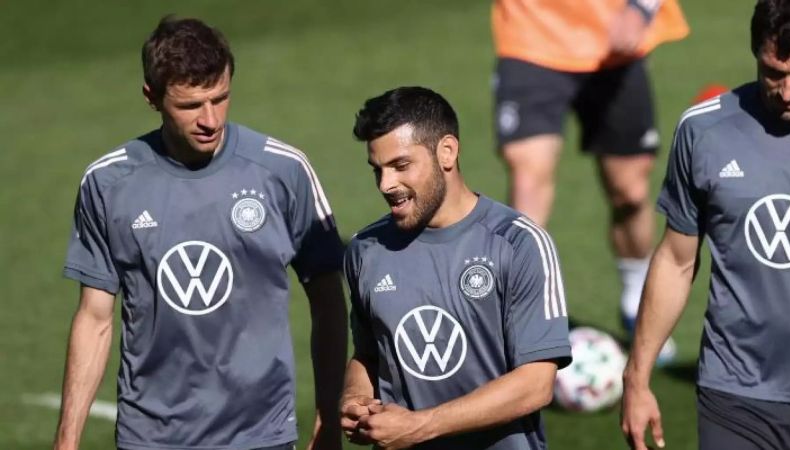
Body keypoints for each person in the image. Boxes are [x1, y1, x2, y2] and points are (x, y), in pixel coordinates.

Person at [53, 16, 347, 450]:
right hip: (150, 436)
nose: (210, 119)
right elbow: (95, 319)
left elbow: (327, 301)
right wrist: (67, 440)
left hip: (259, 434)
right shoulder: (109, 183)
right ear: (152, 97)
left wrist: (328, 419)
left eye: (220, 98)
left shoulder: (282, 171)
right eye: (190, 106)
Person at [620, 1, 790, 449]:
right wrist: (636, 378)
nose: (787, 91)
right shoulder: (703, 130)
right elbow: (675, 260)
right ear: (755, 50)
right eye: (773, 72)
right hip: (735, 393)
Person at [340, 86, 571, 449]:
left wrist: (420, 426)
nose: (386, 185)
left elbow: (535, 384)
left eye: (401, 166)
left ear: (446, 151)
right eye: (378, 170)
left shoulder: (518, 243)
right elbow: (369, 354)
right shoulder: (366, 250)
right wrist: (355, 398)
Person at [491, 0, 689, 355]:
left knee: (630, 191)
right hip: (531, 38)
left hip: (616, 44)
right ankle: (524, 323)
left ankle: (634, 297)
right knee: (528, 179)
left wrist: (641, 9)